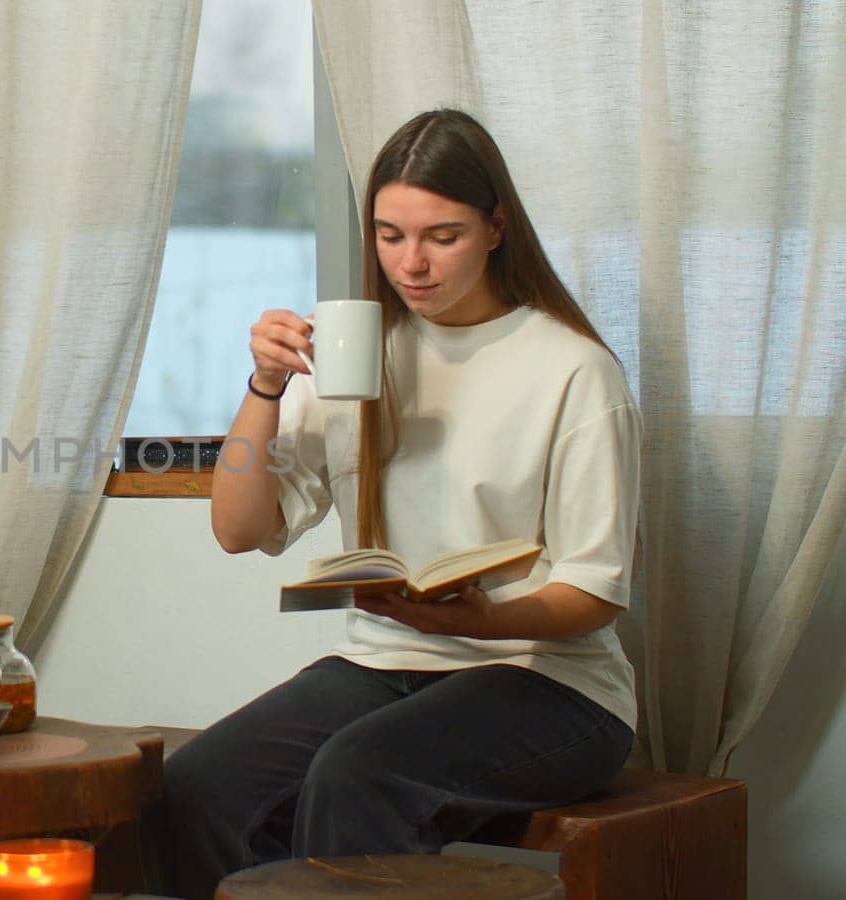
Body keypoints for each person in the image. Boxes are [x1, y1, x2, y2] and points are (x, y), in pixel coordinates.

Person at [139, 109, 640, 899]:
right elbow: (238, 530)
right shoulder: (354, 353)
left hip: (550, 682)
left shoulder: (574, 371)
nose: (413, 263)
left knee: (359, 775)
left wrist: (478, 621)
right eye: (389, 234)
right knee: (197, 785)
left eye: (442, 235)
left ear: (496, 227)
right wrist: (265, 386)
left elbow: (593, 593)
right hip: (383, 663)